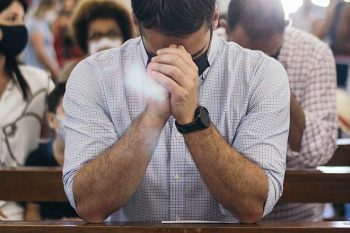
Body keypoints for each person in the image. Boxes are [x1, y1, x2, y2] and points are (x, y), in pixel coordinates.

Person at [63, 0, 290, 223]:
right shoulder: (94, 76)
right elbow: (89, 205)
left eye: (194, 56)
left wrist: (193, 120)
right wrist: (151, 120)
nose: (177, 66)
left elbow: (253, 206)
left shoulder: (260, 75)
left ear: (214, 18)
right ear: (136, 22)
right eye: (158, 55)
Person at [224, 0, 338, 221]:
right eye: (244, 55)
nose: (257, 68)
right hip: (224, 213)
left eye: (269, 55)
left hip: (294, 214)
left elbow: (320, 150)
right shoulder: (210, 49)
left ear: (286, 26)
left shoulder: (314, 54)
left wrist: (279, 83)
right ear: (224, 27)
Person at [0, 0, 54, 220]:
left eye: (22, 20)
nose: (19, 29)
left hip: (20, 211)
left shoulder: (39, 84)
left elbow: (59, 133)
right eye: (11, 20)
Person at [25, 82, 79, 221]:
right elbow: (32, 211)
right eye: (68, 109)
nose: (78, 117)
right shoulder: (37, 159)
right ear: (51, 119)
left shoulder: (96, 159)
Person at [70, 0, 134, 56]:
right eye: (96, 35)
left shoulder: (138, 68)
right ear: (85, 42)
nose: (105, 43)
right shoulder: (74, 70)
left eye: (112, 34)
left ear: (124, 38)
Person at [22, 0, 61, 82]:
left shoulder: (41, 22)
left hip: (42, 73)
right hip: (38, 74)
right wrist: (56, 71)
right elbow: (40, 53)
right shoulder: (35, 23)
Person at [53, 0, 83, 67]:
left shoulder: (81, 20)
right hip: (63, 62)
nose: (68, 2)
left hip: (78, 60)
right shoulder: (60, 21)